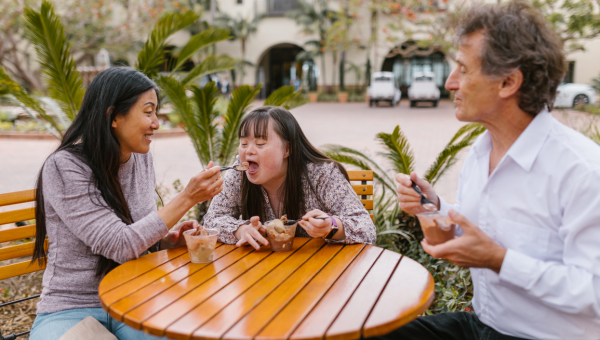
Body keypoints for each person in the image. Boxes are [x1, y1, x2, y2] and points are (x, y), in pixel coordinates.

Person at [389, 1, 600, 339]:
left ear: (507, 82)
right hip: (484, 326)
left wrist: (499, 260)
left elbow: (593, 293)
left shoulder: (584, 171)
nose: (450, 83)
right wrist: (436, 207)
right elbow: (484, 230)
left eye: (463, 69)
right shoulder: (481, 152)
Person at [29, 67, 224, 340]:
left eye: (156, 112)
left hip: (134, 297)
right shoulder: (65, 167)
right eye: (148, 112)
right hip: (71, 307)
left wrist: (165, 240)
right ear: (113, 116)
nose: (156, 122)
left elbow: (133, 236)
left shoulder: (141, 159)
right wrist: (187, 197)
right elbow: (119, 245)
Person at [203, 106, 376, 248]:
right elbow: (211, 221)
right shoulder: (238, 173)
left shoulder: (321, 173)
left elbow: (366, 228)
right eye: (243, 143)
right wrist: (241, 230)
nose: (248, 151)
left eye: (260, 143)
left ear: (287, 149)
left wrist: (332, 226)